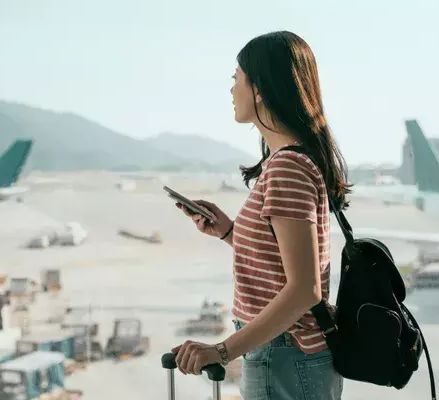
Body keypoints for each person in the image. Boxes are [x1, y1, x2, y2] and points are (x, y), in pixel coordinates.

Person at [171, 31, 351, 400]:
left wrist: (221, 351)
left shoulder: (287, 167)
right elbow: (285, 266)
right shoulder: (289, 162)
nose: (231, 89)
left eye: (236, 79)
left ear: (260, 89)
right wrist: (228, 233)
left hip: (284, 355)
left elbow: (303, 290)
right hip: (285, 354)